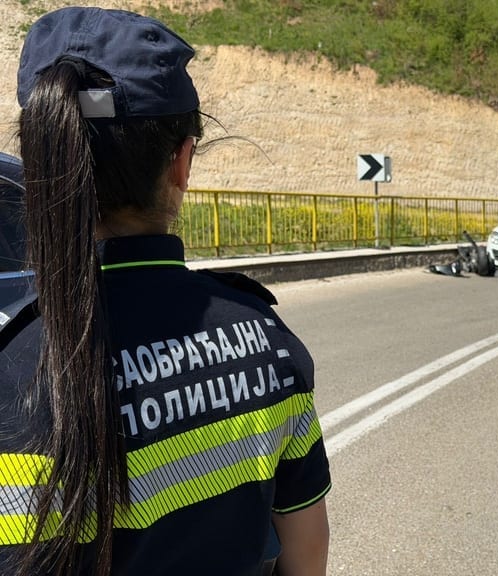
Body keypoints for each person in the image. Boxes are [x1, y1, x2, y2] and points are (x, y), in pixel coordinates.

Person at [0, 7, 331, 576]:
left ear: (40, 162)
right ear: (181, 163)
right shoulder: (267, 338)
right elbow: (307, 552)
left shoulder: (13, 370)